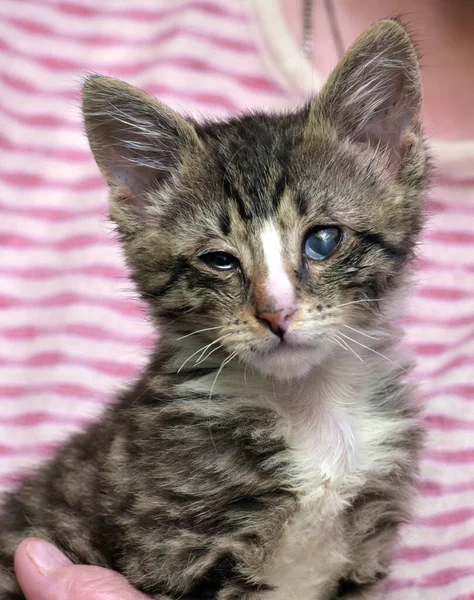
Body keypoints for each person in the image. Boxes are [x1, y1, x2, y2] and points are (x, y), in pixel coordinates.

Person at [3, 1, 474, 599]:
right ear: (142, 204)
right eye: (221, 261)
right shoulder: (180, 449)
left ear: (390, 157)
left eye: (322, 242)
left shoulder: (393, 437)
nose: (276, 308)